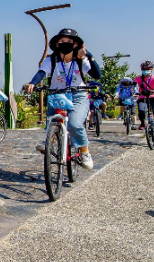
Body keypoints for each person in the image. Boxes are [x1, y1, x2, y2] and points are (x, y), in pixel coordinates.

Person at [23, 28, 101, 169]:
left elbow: (97, 75)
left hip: (78, 95)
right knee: (52, 120)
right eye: (62, 41)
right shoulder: (52, 60)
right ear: (57, 44)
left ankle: (84, 152)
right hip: (58, 93)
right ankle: (49, 141)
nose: (66, 43)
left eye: (70, 41)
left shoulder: (80, 60)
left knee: (75, 124)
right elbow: (41, 73)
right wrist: (32, 83)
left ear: (76, 44)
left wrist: (89, 55)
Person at [133, 60, 154, 137]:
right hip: (143, 97)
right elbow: (133, 85)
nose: (146, 71)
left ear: (151, 69)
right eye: (144, 69)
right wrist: (132, 90)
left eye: (148, 69)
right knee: (141, 110)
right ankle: (142, 123)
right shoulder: (138, 78)